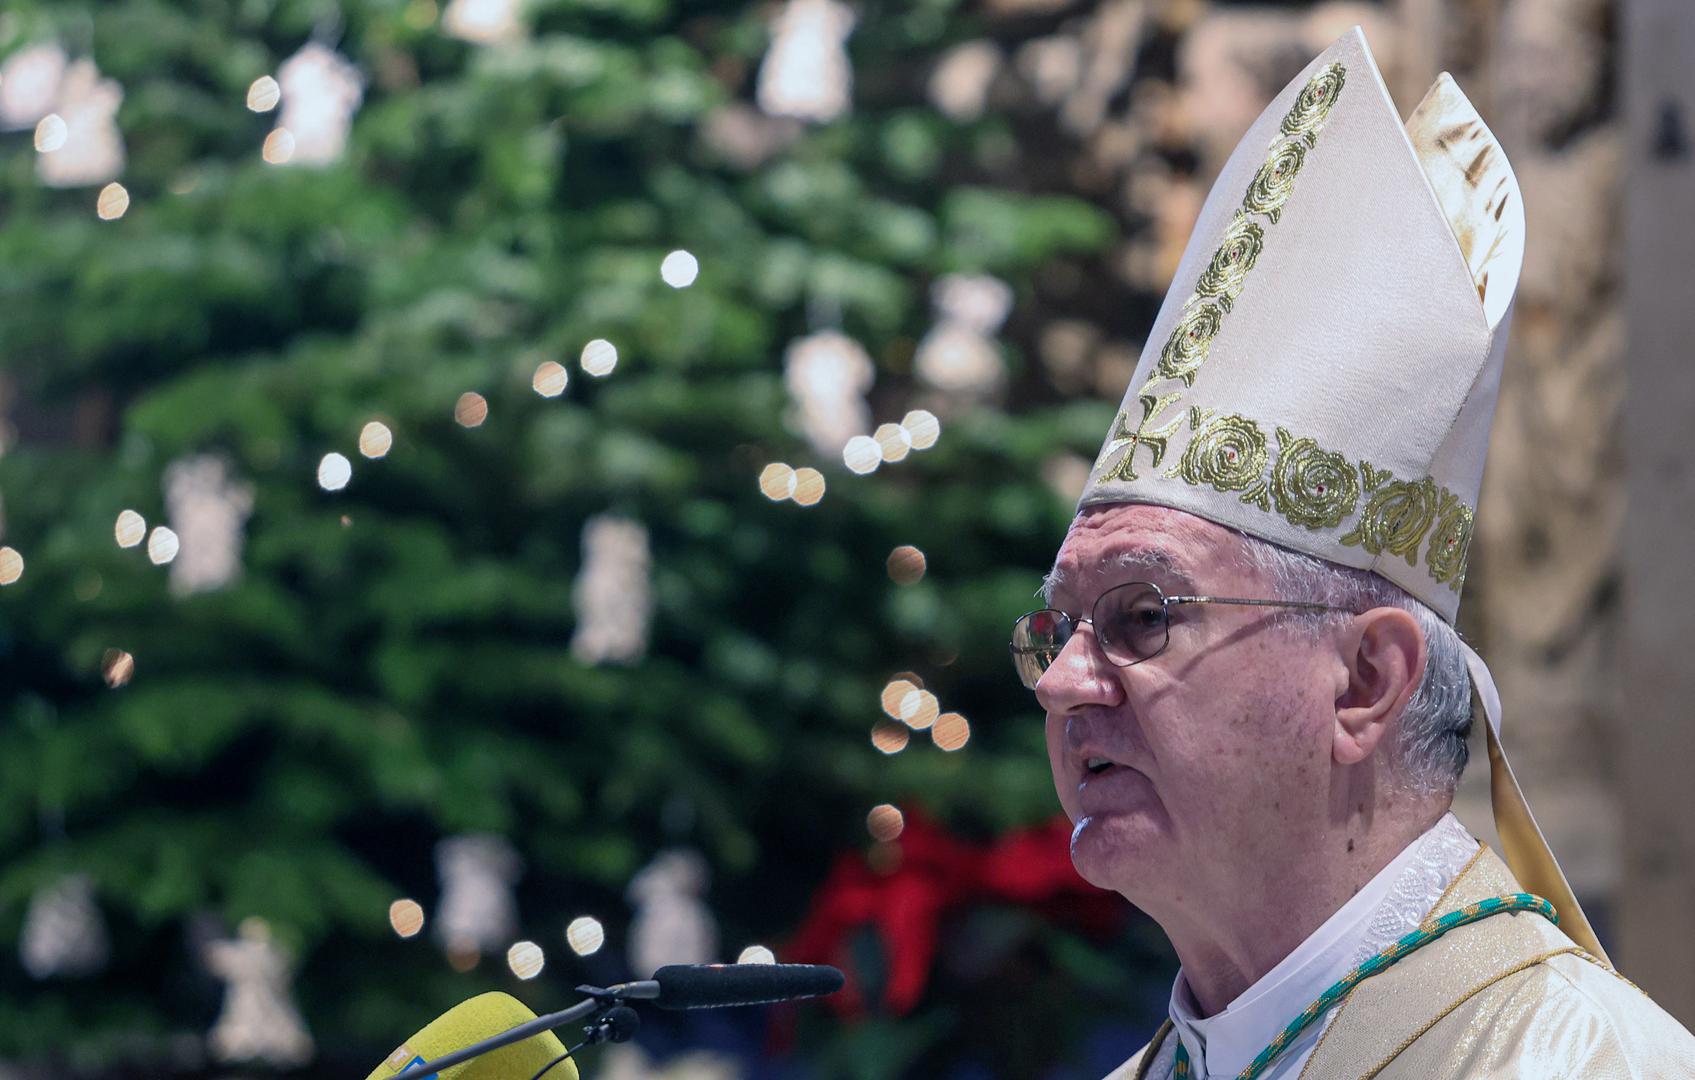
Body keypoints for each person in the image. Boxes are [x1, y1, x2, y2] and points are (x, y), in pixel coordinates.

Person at [1011, 28, 1695, 1079]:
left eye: (1141, 614)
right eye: (1058, 627)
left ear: (1368, 681)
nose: (1061, 681)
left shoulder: (1575, 1061)